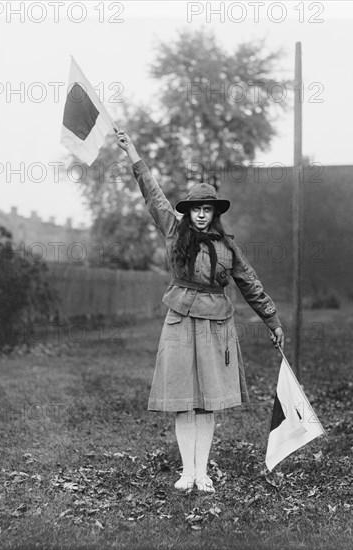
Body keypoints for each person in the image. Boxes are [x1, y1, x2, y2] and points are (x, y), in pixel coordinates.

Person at [117, 131, 284, 493]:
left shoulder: (227, 247)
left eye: (207, 209)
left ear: (215, 213)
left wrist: (271, 319)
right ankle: (186, 471)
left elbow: (250, 283)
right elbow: (153, 196)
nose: (202, 215)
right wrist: (133, 153)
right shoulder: (174, 233)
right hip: (179, 320)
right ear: (188, 212)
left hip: (216, 325)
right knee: (182, 400)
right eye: (196, 209)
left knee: (207, 403)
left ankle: (202, 472)